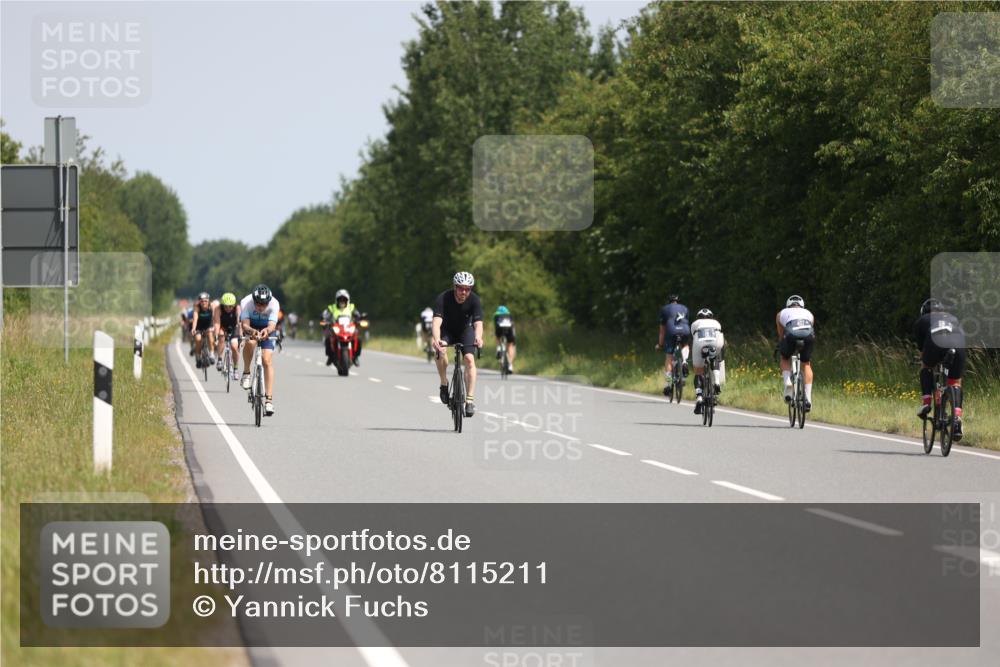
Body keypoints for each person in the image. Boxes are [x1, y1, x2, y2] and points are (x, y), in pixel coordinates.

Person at [913, 298, 966, 441]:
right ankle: (957, 418)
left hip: (935, 341)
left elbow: (922, 353)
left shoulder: (922, 320)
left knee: (926, 367)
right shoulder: (952, 317)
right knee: (955, 382)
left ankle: (926, 403)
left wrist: (926, 360)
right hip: (958, 343)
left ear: (924, 312)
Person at [432, 271, 484, 417]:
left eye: (467, 289)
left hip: (465, 331)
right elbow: (436, 323)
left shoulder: (474, 300)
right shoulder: (443, 298)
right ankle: (443, 383)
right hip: (447, 331)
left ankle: (469, 400)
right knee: (441, 352)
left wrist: (478, 337)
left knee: (469, 359)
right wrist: (437, 341)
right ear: (455, 287)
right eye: (461, 288)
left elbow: (478, 323)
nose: (464, 292)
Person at [239, 284, 280, 416]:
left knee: (266, 360)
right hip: (251, 327)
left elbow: (272, 325)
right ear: (253, 300)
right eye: (258, 304)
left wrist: (267, 331)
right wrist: (252, 331)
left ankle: (268, 400)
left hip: (267, 329)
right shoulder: (246, 302)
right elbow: (244, 324)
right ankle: (246, 372)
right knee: (250, 343)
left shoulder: (274, 303)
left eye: (264, 305)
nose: (261, 307)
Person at [776, 294, 816, 411]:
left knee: (784, 358)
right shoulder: (809, 313)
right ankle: (808, 398)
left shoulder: (782, 313)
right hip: (808, 335)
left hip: (791, 334)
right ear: (802, 306)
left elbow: (781, 334)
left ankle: (788, 382)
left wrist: (781, 344)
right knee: (806, 363)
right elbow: (810, 328)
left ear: (788, 305)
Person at [691, 308, 726, 415]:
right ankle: (716, 381)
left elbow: (693, 336)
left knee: (698, 371)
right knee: (715, 357)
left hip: (700, 343)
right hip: (716, 343)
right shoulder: (716, 322)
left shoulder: (695, 323)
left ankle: (699, 397)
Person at [655, 294, 690, 395]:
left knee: (669, 358)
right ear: (678, 301)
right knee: (685, 345)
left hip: (671, 332)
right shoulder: (685, 308)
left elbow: (662, 331)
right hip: (685, 330)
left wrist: (660, 345)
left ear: (669, 301)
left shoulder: (664, 309)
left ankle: (668, 384)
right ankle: (684, 361)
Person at [323, 289, 363, 366]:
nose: (342, 301)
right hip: (336, 327)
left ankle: (356, 357)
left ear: (347, 300)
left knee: (358, 339)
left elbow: (357, 314)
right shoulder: (332, 307)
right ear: (336, 300)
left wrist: (359, 318)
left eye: (344, 299)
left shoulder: (351, 307)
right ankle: (330, 357)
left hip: (348, 328)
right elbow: (325, 314)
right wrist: (325, 319)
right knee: (328, 339)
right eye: (340, 299)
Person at [213, 292, 241, 378]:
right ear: (222, 305)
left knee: (234, 346)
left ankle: (235, 368)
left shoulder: (237, 308)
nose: (228, 308)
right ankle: (220, 359)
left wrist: (240, 336)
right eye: (225, 306)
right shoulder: (218, 309)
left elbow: (239, 323)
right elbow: (217, 323)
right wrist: (216, 336)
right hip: (223, 327)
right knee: (221, 336)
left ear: (234, 305)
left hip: (233, 328)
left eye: (230, 306)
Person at [190, 292, 216, 367]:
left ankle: (211, 354)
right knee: (198, 339)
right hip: (199, 326)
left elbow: (214, 317)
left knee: (210, 335)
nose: (204, 303)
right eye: (202, 301)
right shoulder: (197, 307)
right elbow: (195, 318)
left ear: (208, 301)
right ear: (199, 302)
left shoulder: (212, 306)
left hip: (209, 325)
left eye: (205, 301)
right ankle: (198, 357)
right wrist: (194, 328)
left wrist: (214, 327)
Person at [493, 305, 517, 373]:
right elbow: (513, 326)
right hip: (509, 330)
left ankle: (499, 349)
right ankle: (510, 365)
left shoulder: (496, 314)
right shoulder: (509, 314)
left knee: (498, 337)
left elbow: (495, 326)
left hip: (499, 329)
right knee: (510, 345)